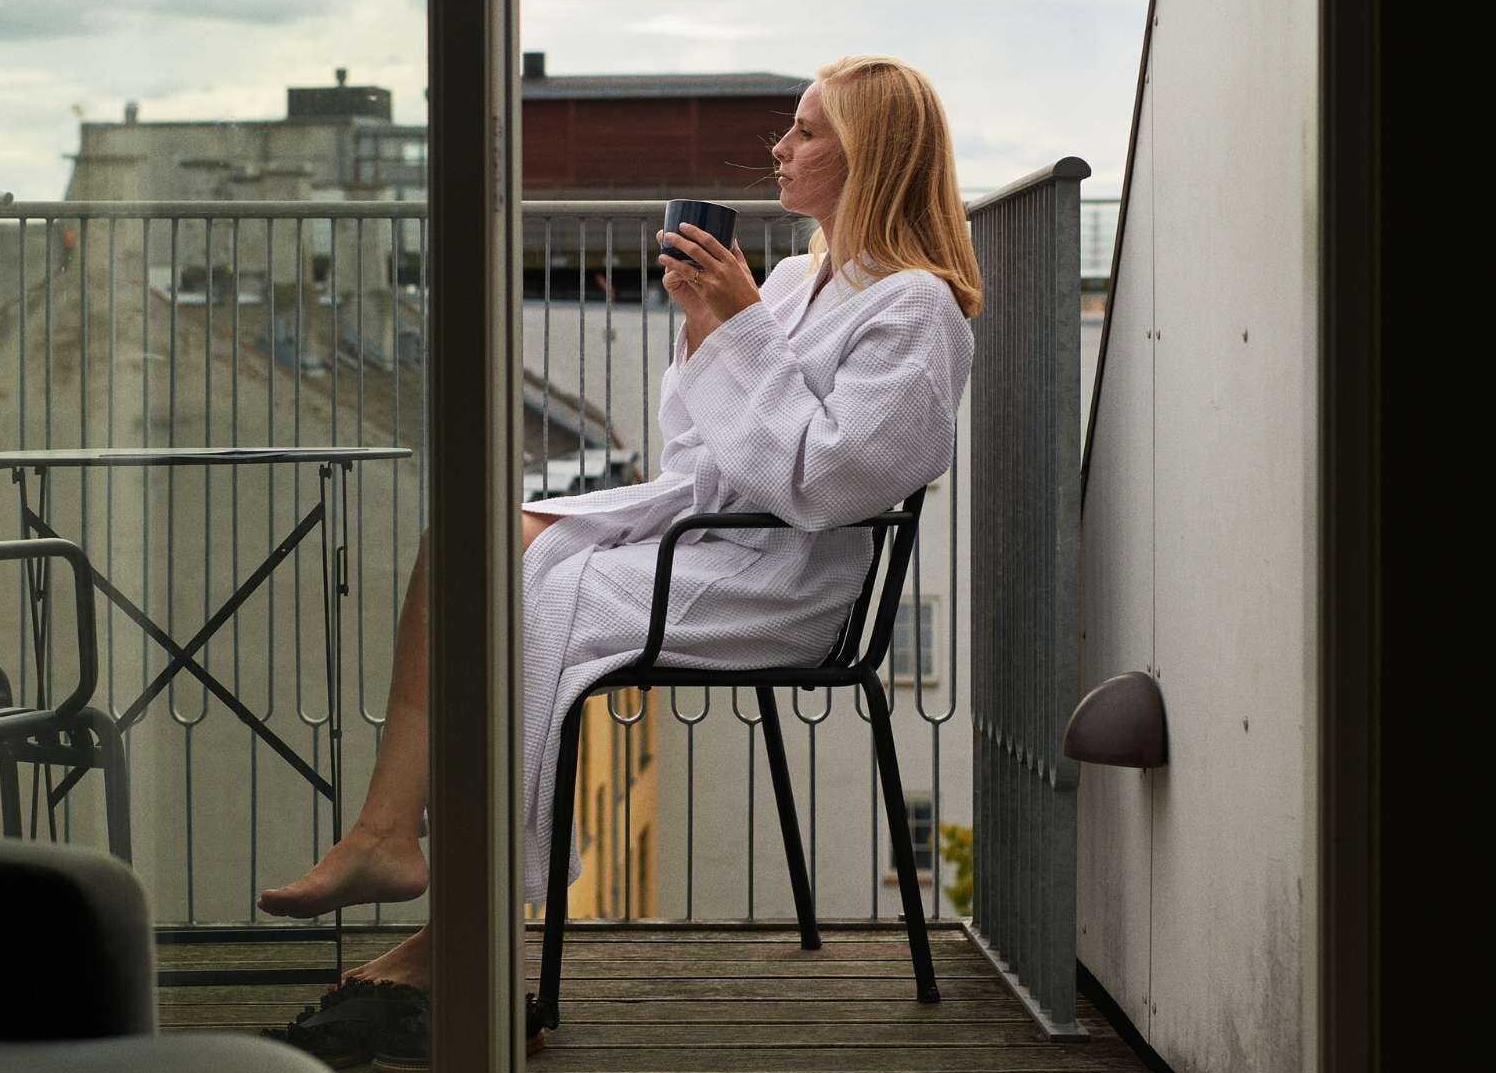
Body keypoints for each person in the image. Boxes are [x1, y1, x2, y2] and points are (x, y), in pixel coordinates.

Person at [257, 54, 982, 998]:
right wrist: (706, 326)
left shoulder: (917, 308)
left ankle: (460, 933)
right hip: (709, 531)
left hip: (783, 581)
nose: (780, 146)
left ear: (869, 154)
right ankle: (385, 831)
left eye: (807, 131)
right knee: (466, 542)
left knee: (541, 590)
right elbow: (693, 445)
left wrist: (740, 328)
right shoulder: (795, 278)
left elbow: (828, 482)